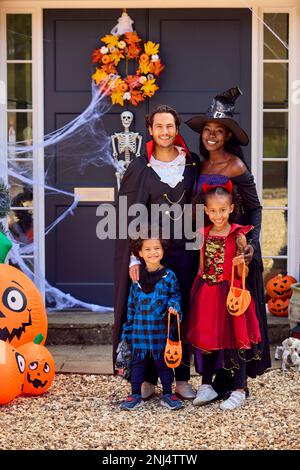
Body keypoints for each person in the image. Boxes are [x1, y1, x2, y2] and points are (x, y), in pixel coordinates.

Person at [185, 87, 271, 398]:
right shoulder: (198, 165)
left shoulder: (236, 166)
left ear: (227, 136)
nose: (211, 136)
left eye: (218, 131)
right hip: (209, 251)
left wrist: (251, 244)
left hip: (235, 252)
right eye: (207, 130)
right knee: (210, 317)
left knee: (235, 316)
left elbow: (256, 207)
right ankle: (211, 383)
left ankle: (239, 386)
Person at [114, 105, 199, 400]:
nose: (165, 132)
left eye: (170, 126)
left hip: (186, 251)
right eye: (159, 126)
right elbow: (129, 213)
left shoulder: (191, 163)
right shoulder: (140, 167)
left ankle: (182, 377)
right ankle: (147, 376)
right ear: (150, 130)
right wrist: (135, 256)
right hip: (152, 253)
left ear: (177, 129)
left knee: (180, 311)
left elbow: (201, 205)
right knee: (149, 313)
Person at [188, 183, 262, 410]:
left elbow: (244, 273)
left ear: (231, 208)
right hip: (208, 294)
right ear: (206, 211)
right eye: (213, 210)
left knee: (236, 339)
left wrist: (240, 265)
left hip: (231, 295)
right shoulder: (203, 234)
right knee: (207, 339)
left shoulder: (237, 234)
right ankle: (206, 385)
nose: (218, 215)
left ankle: (239, 389)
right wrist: (198, 292)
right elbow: (201, 267)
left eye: (222, 210)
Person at [118, 233, 184, 411]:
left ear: (163, 251)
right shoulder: (136, 278)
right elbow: (131, 306)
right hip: (139, 332)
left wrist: (173, 307)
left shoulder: (169, 276)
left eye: (157, 248)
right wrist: (127, 330)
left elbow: (176, 296)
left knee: (164, 365)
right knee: (137, 365)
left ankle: (168, 394)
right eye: (147, 249)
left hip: (160, 332)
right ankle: (135, 395)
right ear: (139, 252)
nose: (152, 252)